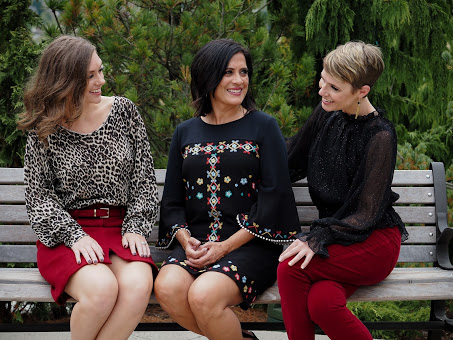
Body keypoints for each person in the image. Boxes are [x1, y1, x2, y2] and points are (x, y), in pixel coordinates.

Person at [154, 39, 300, 340]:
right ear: (208, 78)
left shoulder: (264, 127)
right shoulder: (185, 132)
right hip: (197, 244)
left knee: (204, 296)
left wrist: (224, 247)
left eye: (243, 72)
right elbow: (171, 201)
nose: (238, 81)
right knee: (167, 287)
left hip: (251, 245)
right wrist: (186, 238)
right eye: (228, 72)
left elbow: (275, 198)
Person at [17, 35, 159, 340]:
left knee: (137, 287)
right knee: (102, 290)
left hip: (121, 228)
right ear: (65, 80)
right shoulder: (45, 126)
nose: (101, 81)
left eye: (101, 71)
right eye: (90, 76)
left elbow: (144, 178)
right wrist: (73, 235)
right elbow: (38, 195)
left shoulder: (124, 112)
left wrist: (136, 226)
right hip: (68, 234)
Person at [277, 41, 409, 340]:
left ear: (362, 91)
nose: (323, 91)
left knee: (291, 268)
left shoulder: (380, 136)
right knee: (323, 303)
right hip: (338, 240)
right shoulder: (327, 113)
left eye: (334, 87)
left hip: (372, 243)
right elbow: (290, 159)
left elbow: (365, 214)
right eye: (322, 81)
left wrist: (318, 237)